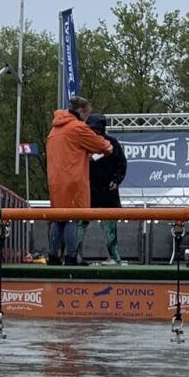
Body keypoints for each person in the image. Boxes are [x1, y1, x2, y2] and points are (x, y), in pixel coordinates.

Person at [46, 96, 112, 265]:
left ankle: (52, 256)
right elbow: (101, 145)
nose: (87, 119)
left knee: (57, 218)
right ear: (82, 110)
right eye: (87, 114)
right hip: (73, 179)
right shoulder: (77, 127)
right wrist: (108, 146)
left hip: (55, 180)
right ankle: (71, 256)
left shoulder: (54, 130)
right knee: (72, 218)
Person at [84, 114, 125, 265]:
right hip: (87, 191)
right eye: (91, 129)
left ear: (102, 129)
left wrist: (116, 180)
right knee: (80, 224)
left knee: (110, 227)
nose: (94, 132)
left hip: (107, 191)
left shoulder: (113, 143)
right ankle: (75, 255)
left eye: (96, 129)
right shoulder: (83, 143)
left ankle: (114, 257)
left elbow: (122, 164)